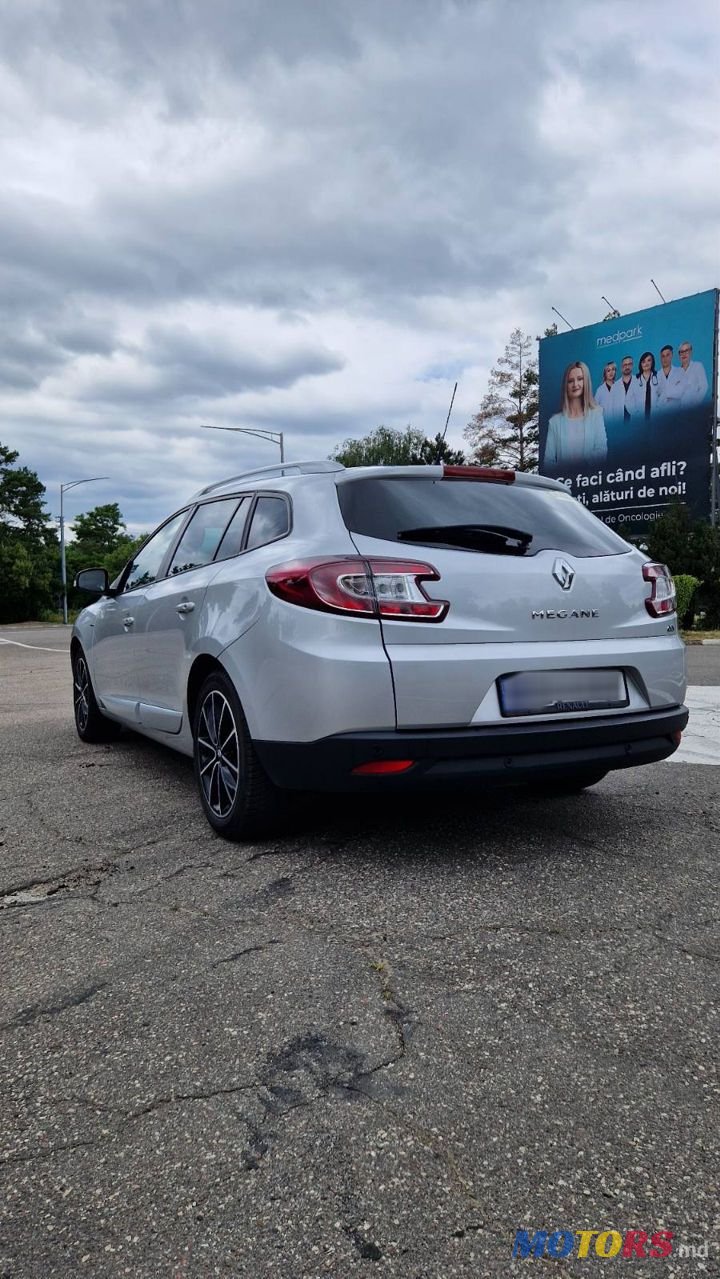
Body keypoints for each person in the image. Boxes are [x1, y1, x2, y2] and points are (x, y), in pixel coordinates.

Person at [544, 361, 607, 468]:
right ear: (566, 385)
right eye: (570, 381)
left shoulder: (596, 414)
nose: (575, 384)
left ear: (586, 381)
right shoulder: (554, 422)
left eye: (580, 379)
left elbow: (602, 451)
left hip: (592, 477)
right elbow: (548, 462)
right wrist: (564, 471)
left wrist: (581, 465)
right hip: (563, 478)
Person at [677, 340, 709, 407]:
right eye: (681, 352)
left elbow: (704, 386)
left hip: (693, 409)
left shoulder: (697, 366)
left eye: (686, 351)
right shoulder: (676, 373)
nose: (684, 354)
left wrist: (695, 404)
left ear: (691, 352)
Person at [656, 344, 684, 413]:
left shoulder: (680, 371)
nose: (665, 358)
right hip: (660, 413)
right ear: (660, 358)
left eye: (667, 355)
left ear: (672, 356)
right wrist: (673, 388)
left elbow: (681, 392)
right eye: (663, 356)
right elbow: (655, 395)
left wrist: (664, 394)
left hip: (677, 412)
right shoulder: (656, 376)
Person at [634, 350, 661, 419]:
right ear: (640, 364)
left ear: (652, 362)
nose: (646, 363)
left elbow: (664, 395)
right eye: (643, 361)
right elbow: (629, 400)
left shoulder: (659, 377)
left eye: (649, 360)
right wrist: (636, 413)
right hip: (639, 418)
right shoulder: (635, 380)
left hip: (656, 416)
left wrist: (659, 409)